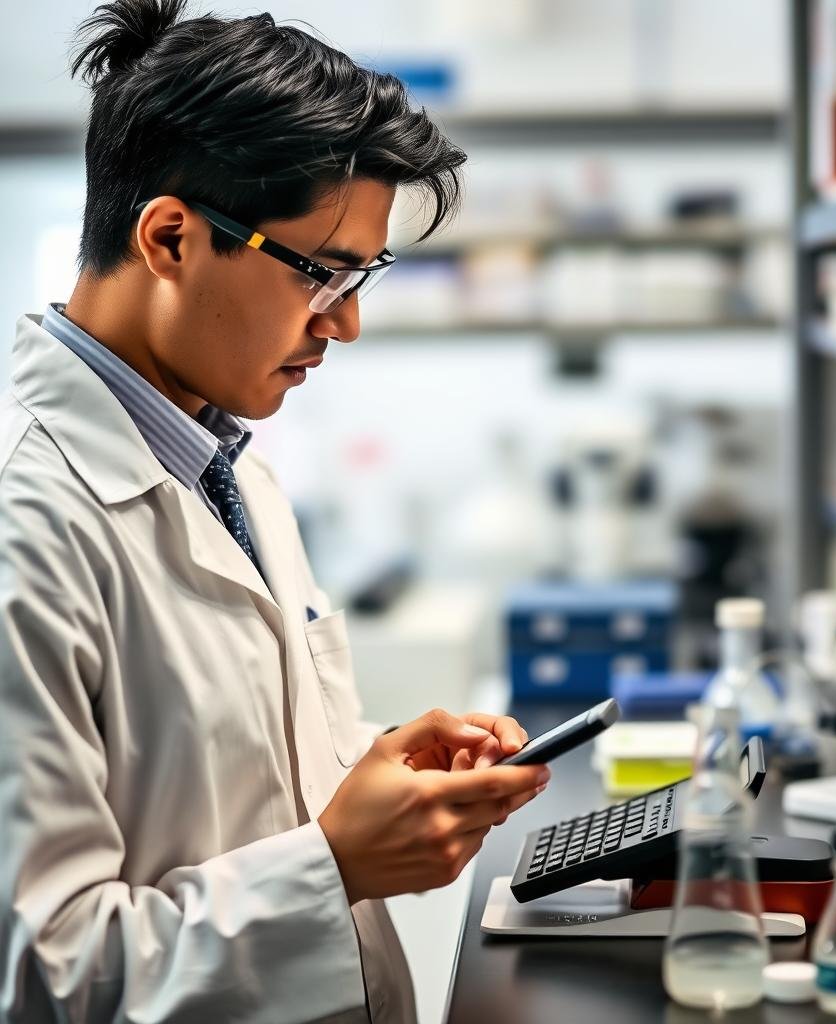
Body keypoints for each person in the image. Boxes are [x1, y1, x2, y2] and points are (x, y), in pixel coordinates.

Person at [0, 3, 550, 1021]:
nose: (344, 321)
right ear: (170, 237)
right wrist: (336, 863)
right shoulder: (25, 530)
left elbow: (239, 787)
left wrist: (385, 772)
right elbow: (45, 972)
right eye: (323, 272)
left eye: (362, 275)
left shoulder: (227, 466)